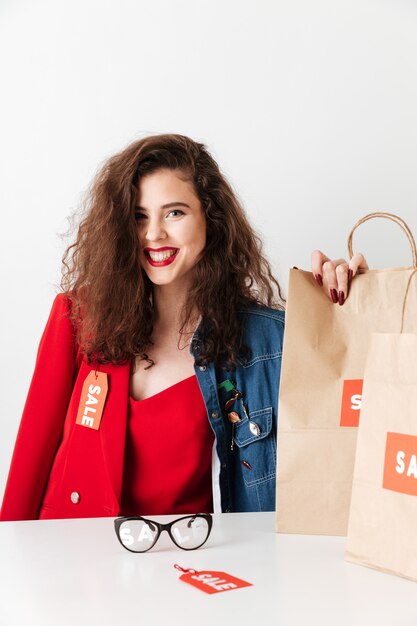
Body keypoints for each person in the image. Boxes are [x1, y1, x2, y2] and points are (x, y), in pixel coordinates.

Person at [0, 134, 367, 521]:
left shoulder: (264, 345)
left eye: (174, 213)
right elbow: (28, 469)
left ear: (211, 217)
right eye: (139, 216)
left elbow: (348, 442)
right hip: (69, 563)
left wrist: (343, 313)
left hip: (186, 567)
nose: (154, 233)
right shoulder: (78, 318)